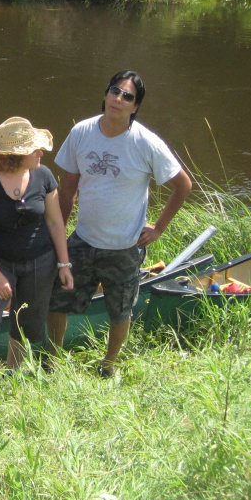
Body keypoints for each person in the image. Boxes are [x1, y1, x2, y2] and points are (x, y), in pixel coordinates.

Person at [47, 70, 192, 377]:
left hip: (125, 246)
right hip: (83, 240)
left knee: (120, 309)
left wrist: (159, 228)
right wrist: (58, 237)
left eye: (127, 96)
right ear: (105, 94)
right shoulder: (82, 132)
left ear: (135, 106)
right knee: (58, 300)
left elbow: (183, 185)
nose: (118, 99)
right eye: (115, 91)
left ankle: (109, 364)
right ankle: (53, 360)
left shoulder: (146, 143)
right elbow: (67, 192)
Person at [0, 117, 73, 393]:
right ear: (17, 154)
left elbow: (55, 222)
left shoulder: (44, 176)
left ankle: (13, 373)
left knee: (27, 323)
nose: (41, 152)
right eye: (35, 149)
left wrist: (64, 263)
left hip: (41, 260)